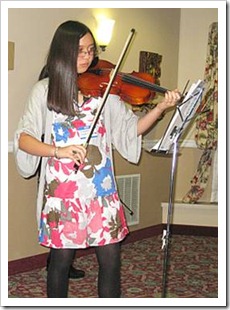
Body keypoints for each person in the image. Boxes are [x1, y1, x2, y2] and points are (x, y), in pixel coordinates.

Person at [14, 20, 180, 298]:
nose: (88, 57)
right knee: (61, 263)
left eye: (91, 50)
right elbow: (23, 138)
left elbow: (129, 129)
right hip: (62, 193)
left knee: (111, 259)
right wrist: (59, 151)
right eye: (80, 50)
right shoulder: (44, 90)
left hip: (101, 191)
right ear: (62, 51)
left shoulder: (104, 91)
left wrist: (161, 107)